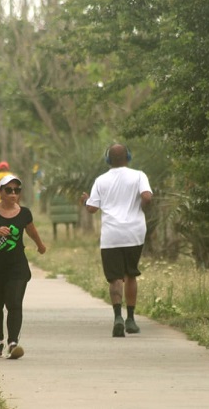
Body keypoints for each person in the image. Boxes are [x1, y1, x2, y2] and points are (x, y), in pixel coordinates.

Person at [80, 144, 152, 337]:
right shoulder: (139, 175)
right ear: (128, 157)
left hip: (111, 236)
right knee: (131, 275)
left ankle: (117, 317)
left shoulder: (100, 180)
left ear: (108, 160)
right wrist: (142, 205)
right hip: (134, 233)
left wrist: (86, 200)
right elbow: (147, 196)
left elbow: (92, 209)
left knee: (115, 279)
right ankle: (131, 319)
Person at [0, 174, 47, 359]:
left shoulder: (25, 213)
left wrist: (40, 245)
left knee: (14, 303)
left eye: (17, 190)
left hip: (17, 267)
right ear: (0, 192)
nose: (13, 194)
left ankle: (13, 343)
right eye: (8, 190)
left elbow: (31, 230)